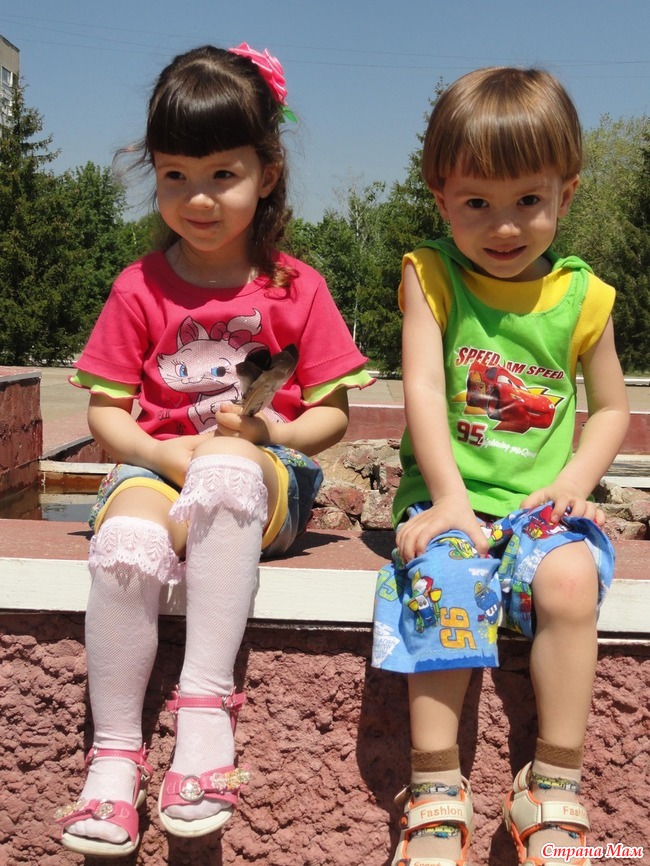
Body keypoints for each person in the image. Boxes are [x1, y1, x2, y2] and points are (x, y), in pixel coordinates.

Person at [54, 43, 372, 857]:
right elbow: (107, 412)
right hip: (160, 469)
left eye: (222, 175)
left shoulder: (295, 287)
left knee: (227, 465)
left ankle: (204, 711)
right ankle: (114, 756)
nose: (197, 198)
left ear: (267, 174)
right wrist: (165, 458)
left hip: (264, 478)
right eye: (175, 176)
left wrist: (269, 433)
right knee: (127, 540)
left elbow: (333, 416)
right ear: (154, 173)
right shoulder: (139, 287)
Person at [372, 67, 629, 866]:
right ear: (441, 197)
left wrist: (573, 484)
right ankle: (435, 788)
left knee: (571, 581)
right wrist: (449, 500)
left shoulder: (585, 299)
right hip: (447, 500)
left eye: (528, 200)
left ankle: (551, 782)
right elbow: (421, 384)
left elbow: (612, 410)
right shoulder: (432, 275)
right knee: (445, 575)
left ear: (567, 193)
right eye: (477, 202)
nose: (505, 225)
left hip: (534, 509)